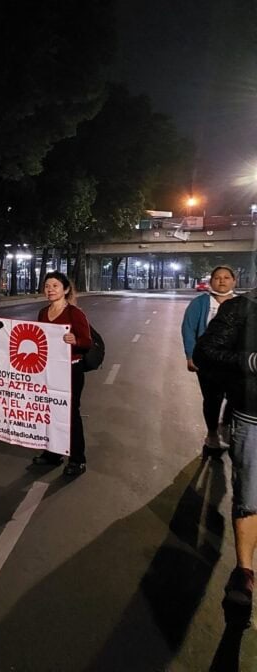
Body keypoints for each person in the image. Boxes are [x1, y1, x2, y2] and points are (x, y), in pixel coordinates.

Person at [194, 288, 257, 620]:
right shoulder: (241, 308)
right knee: (249, 495)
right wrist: (249, 361)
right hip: (252, 416)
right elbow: (205, 352)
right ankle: (244, 574)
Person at [32, 271, 92, 476]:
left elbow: (87, 342)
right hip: (49, 370)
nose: (50, 290)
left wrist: (75, 340)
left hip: (71, 369)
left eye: (55, 286)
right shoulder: (43, 312)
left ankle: (77, 459)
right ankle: (52, 453)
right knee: (50, 411)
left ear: (65, 289)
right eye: (47, 286)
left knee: (70, 413)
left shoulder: (75, 313)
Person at [182, 265, 237, 457]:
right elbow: (188, 329)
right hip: (207, 361)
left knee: (237, 396)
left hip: (234, 361)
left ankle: (226, 425)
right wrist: (190, 356)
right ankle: (212, 433)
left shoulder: (241, 303)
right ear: (211, 281)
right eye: (217, 277)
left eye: (226, 277)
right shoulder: (200, 303)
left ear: (234, 281)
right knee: (213, 399)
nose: (222, 281)